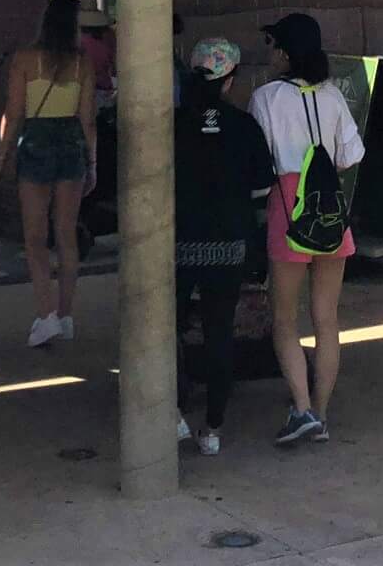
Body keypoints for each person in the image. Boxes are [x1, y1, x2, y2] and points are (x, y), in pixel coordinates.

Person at [248, 11, 363, 446]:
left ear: (284, 52)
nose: (269, 52)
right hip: (331, 210)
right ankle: (322, 412)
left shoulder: (266, 98)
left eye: (272, 45)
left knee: (283, 318)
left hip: (289, 210)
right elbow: (352, 154)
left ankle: (300, 410)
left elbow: (260, 162)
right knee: (327, 319)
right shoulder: (333, 96)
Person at [173, 38, 273, 458]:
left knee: (166, 329)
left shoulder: (173, 122)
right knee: (219, 331)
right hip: (228, 241)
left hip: (177, 240)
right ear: (229, 80)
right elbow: (262, 185)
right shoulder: (243, 125)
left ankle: (171, 414)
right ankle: (212, 428)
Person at [0, 0, 98, 347]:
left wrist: (1, 157)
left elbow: (14, 112)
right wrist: (92, 161)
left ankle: (45, 314)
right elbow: (88, 120)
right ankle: (66, 315)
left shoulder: (24, 59)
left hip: (36, 140)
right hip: (70, 142)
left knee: (35, 237)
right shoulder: (82, 63)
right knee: (66, 234)